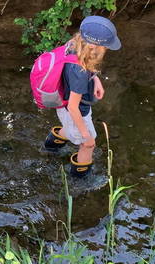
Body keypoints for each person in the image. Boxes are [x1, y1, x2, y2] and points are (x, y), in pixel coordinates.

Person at [43, 16, 120, 178]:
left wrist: (95, 79)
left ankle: (51, 146)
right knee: (88, 145)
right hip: (74, 111)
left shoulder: (73, 45)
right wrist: (86, 135)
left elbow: (80, 66)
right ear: (93, 46)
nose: (105, 50)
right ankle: (80, 180)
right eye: (105, 47)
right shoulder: (80, 73)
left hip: (64, 107)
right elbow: (73, 107)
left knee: (70, 127)